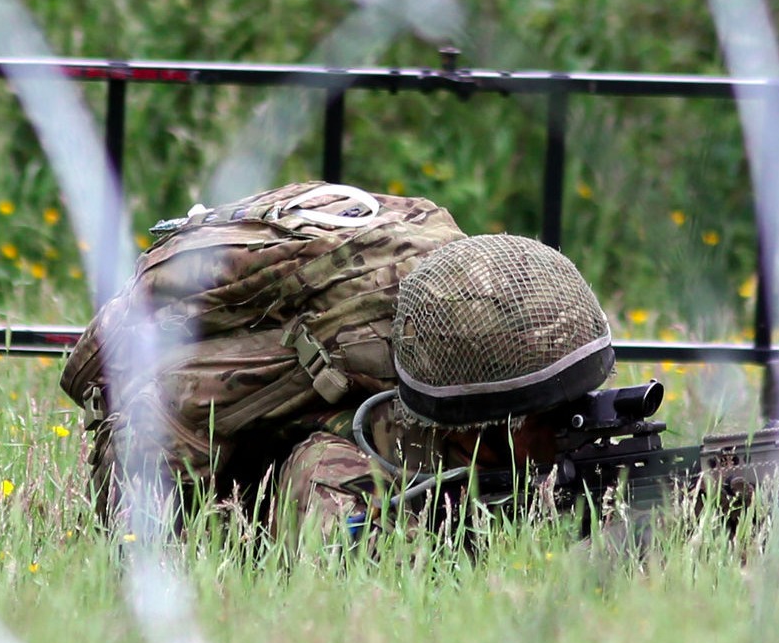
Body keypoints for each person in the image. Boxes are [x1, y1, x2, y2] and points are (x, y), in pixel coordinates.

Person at [58, 185, 617, 532]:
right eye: (554, 420)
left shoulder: (455, 333)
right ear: (484, 427)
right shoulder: (342, 463)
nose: (576, 425)